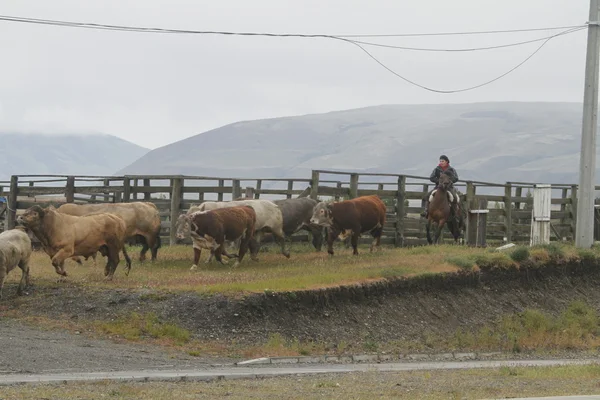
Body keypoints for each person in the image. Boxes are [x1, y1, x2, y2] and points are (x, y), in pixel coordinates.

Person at [420, 155, 460, 220]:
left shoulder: (452, 170)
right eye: (440, 161)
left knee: (455, 198)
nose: (441, 162)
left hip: (449, 187)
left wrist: (449, 182)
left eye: (443, 161)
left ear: (446, 161)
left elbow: (456, 178)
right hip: (438, 187)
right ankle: (425, 211)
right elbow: (431, 177)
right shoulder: (437, 169)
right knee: (426, 196)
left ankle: (455, 213)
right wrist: (439, 181)